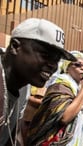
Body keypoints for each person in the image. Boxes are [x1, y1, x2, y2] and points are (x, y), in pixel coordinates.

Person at [0, 18, 76, 146]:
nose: (53, 66)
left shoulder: (24, 86)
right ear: (15, 47)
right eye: (45, 55)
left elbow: (13, 133)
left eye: (57, 60)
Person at [26, 51, 83, 145]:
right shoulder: (60, 85)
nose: (82, 68)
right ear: (67, 67)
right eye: (77, 65)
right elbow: (65, 117)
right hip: (54, 139)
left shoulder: (78, 87)